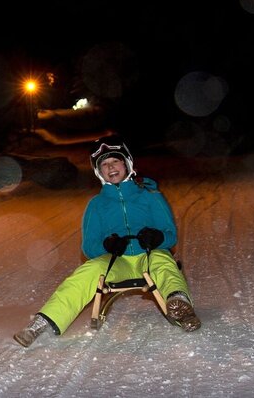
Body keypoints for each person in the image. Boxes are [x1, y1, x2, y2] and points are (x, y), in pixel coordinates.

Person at [14, 135, 201, 348]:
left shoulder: (150, 196)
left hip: (148, 255)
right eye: (103, 164)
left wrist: (158, 237)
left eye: (115, 161)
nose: (110, 167)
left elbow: (170, 234)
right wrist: (107, 245)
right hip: (117, 262)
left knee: (163, 262)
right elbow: (88, 246)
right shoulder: (96, 205)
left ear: (127, 163)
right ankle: (43, 322)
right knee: (89, 270)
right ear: (98, 172)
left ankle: (181, 306)